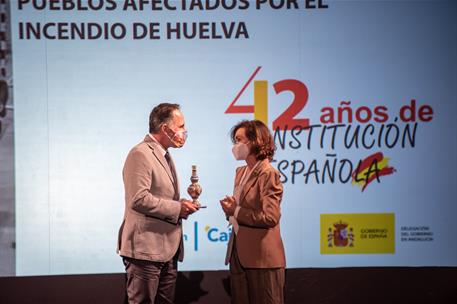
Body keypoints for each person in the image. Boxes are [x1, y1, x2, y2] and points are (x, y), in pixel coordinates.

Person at [117, 103, 200, 304]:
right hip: (146, 250)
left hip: (167, 250)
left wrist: (181, 204)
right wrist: (177, 208)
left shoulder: (164, 154)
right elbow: (139, 198)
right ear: (165, 128)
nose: (183, 131)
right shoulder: (141, 153)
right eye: (180, 126)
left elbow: (159, 196)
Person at [220, 120, 286, 304]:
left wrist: (237, 210)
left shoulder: (268, 173)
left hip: (262, 258)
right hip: (239, 254)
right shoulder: (241, 172)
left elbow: (270, 217)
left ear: (255, 141)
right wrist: (230, 210)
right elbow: (241, 210)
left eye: (239, 140)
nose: (235, 146)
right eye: (234, 140)